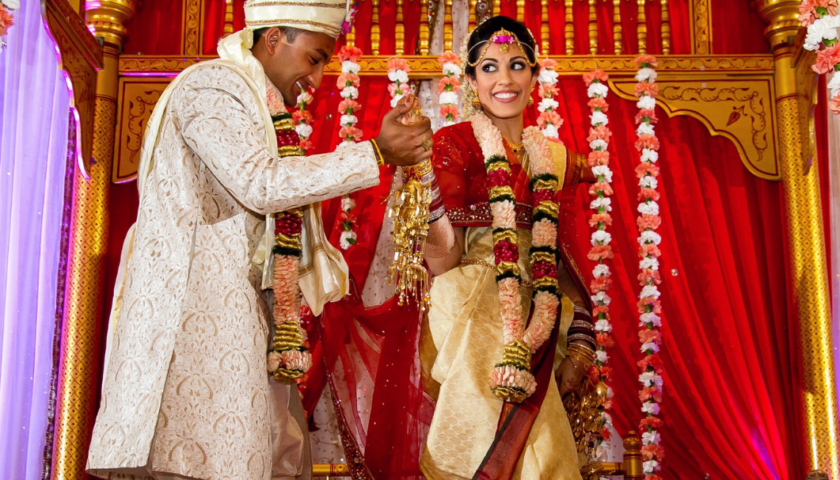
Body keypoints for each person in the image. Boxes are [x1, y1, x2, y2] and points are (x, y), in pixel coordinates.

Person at [85, 0, 432, 478]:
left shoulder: (260, 104)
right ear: (272, 40)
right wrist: (374, 153)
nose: (317, 79)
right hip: (193, 321)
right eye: (314, 58)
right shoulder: (213, 86)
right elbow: (260, 183)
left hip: (237, 321)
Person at [417, 16, 596, 480]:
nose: (505, 79)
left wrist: (580, 341)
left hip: (543, 314)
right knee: (524, 449)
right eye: (489, 67)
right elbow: (444, 260)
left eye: (517, 65)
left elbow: (566, 258)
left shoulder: (555, 159)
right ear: (471, 79)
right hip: (475, 305)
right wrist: (425, 197)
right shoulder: (454, 143)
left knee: (544, 446)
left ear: (534, 76)